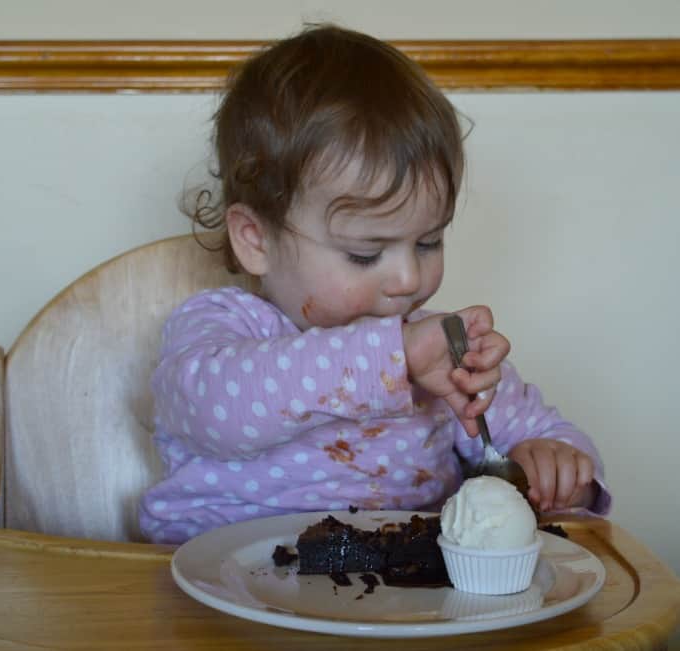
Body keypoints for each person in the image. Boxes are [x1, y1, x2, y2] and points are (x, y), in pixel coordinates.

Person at [139, 25, 610, 544]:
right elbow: (215, 412)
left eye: (428, 242)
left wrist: (556, 469)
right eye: (365, 254)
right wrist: (393, 359)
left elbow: (540, 433)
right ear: (256, 240)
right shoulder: (225, 327)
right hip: (223, 591)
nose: (409, 280)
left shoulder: (440, 349)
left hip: (404, 598)